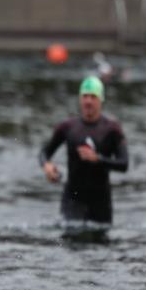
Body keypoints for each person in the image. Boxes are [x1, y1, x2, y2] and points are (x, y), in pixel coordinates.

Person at [39, 76, 128, 225]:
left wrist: (97, 159)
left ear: (101, 100)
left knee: (100, 244)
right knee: (71, 242)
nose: (88, 101)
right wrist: (46, 166)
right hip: (73, 200)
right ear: (80, 99)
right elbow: (44, 153)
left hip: (101, 202)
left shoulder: (112, 129)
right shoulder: (67, 127)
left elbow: (124, 164)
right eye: (85, 96)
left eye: (93, 97)